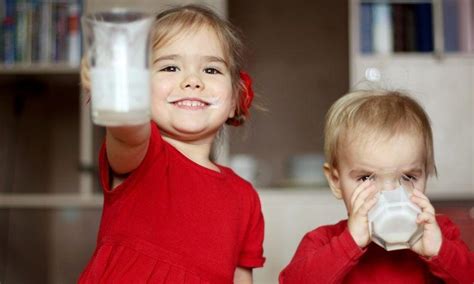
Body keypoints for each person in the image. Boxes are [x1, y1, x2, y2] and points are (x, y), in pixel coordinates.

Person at [79, 5, 265, 283]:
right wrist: (116, 90)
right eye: (170, 67)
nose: (192, 81)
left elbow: (241, 277)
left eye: (211, 69)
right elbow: (127, 130)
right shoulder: (142, 153)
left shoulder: (245, 197)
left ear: (235, 100)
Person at [279, 90, 474, 283]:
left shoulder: (441, 235)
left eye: (408, 177)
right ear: (336, 181)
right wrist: (349, 243)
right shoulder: (323, 241)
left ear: (426, 175)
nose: (389, 193)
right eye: (365, 178)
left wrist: (440, 251)